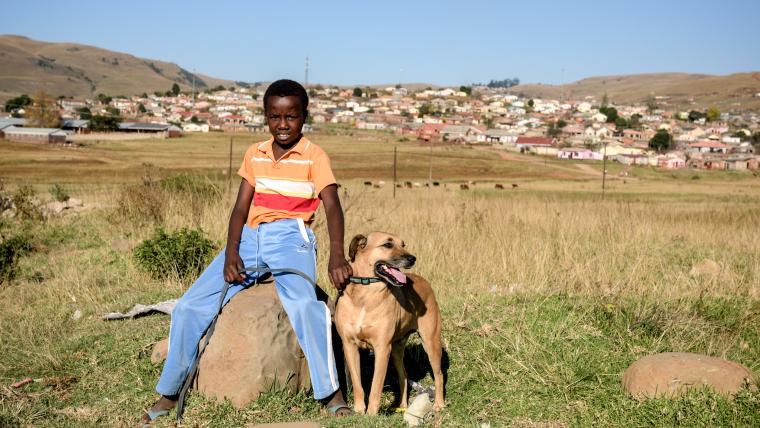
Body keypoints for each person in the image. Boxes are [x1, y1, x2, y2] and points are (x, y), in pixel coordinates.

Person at [140, 79, 353, 425]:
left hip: (291, 236)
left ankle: (331, 393)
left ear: (305, 116)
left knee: (304, 305)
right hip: (252, 235)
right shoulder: (255, 153)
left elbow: (332, 206)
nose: (283, 125)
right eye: (275, 117)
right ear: (266, 117)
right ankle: (169, 392)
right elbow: (240, 208)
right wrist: (231, 254)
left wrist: (337, 256)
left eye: (291, 117)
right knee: (190, 305)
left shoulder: (315, 156)